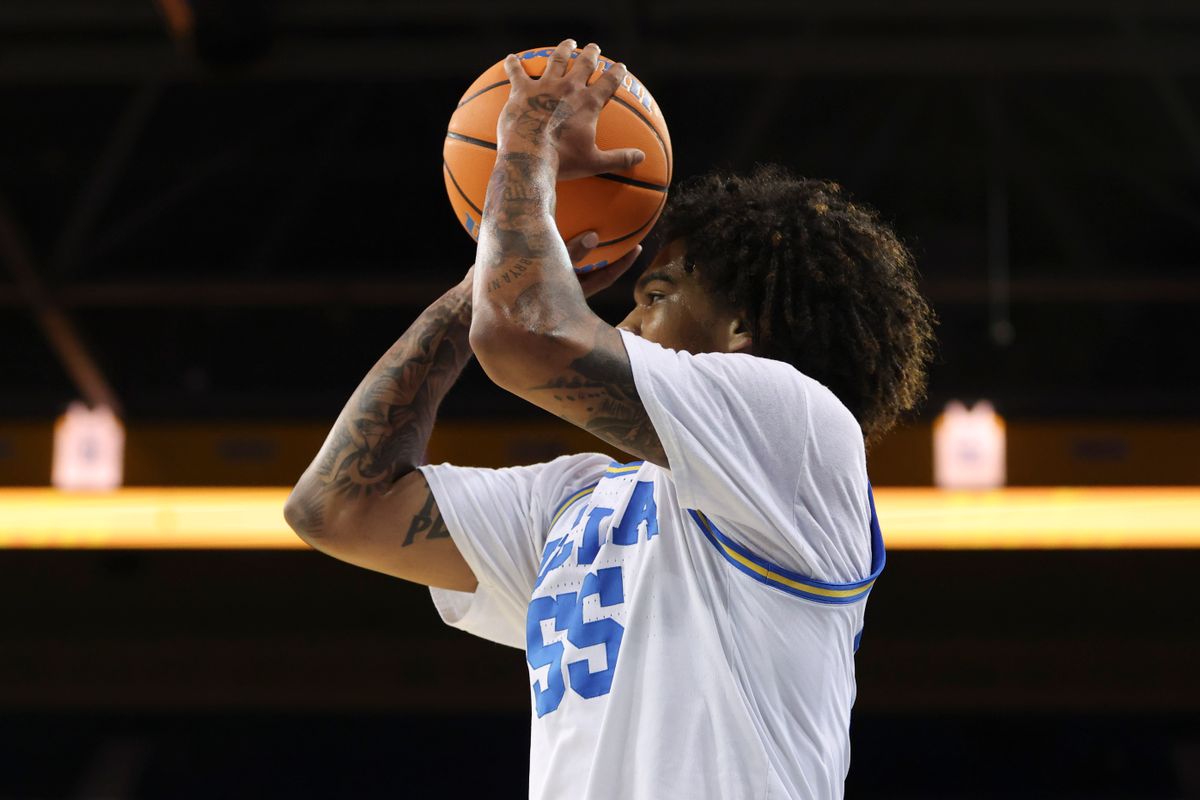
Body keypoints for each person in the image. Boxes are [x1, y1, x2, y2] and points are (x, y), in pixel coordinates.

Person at [284, 39, 935, 800]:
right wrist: (478, 285)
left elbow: (523, 334)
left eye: (655, 296)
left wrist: (526, 140)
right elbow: (337, 507)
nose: (624, 322)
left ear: (742, 328)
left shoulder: (798, 431)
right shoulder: (577, 505)